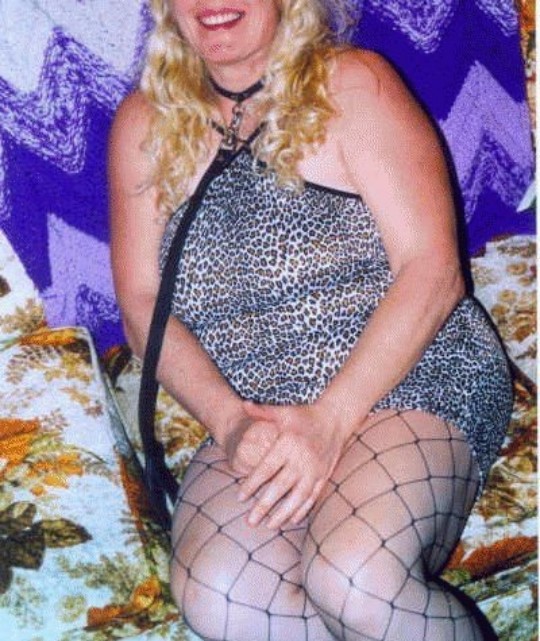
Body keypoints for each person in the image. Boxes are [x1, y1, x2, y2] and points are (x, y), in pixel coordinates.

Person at [108, 0, 513, 639]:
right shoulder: (142, 121)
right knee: (223, 597)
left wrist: (329, 421)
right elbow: (140, 306)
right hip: (255, 404)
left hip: (411, 372)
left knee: (353, 574)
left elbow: (433, 271)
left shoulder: (353, 82)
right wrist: (231, 423)